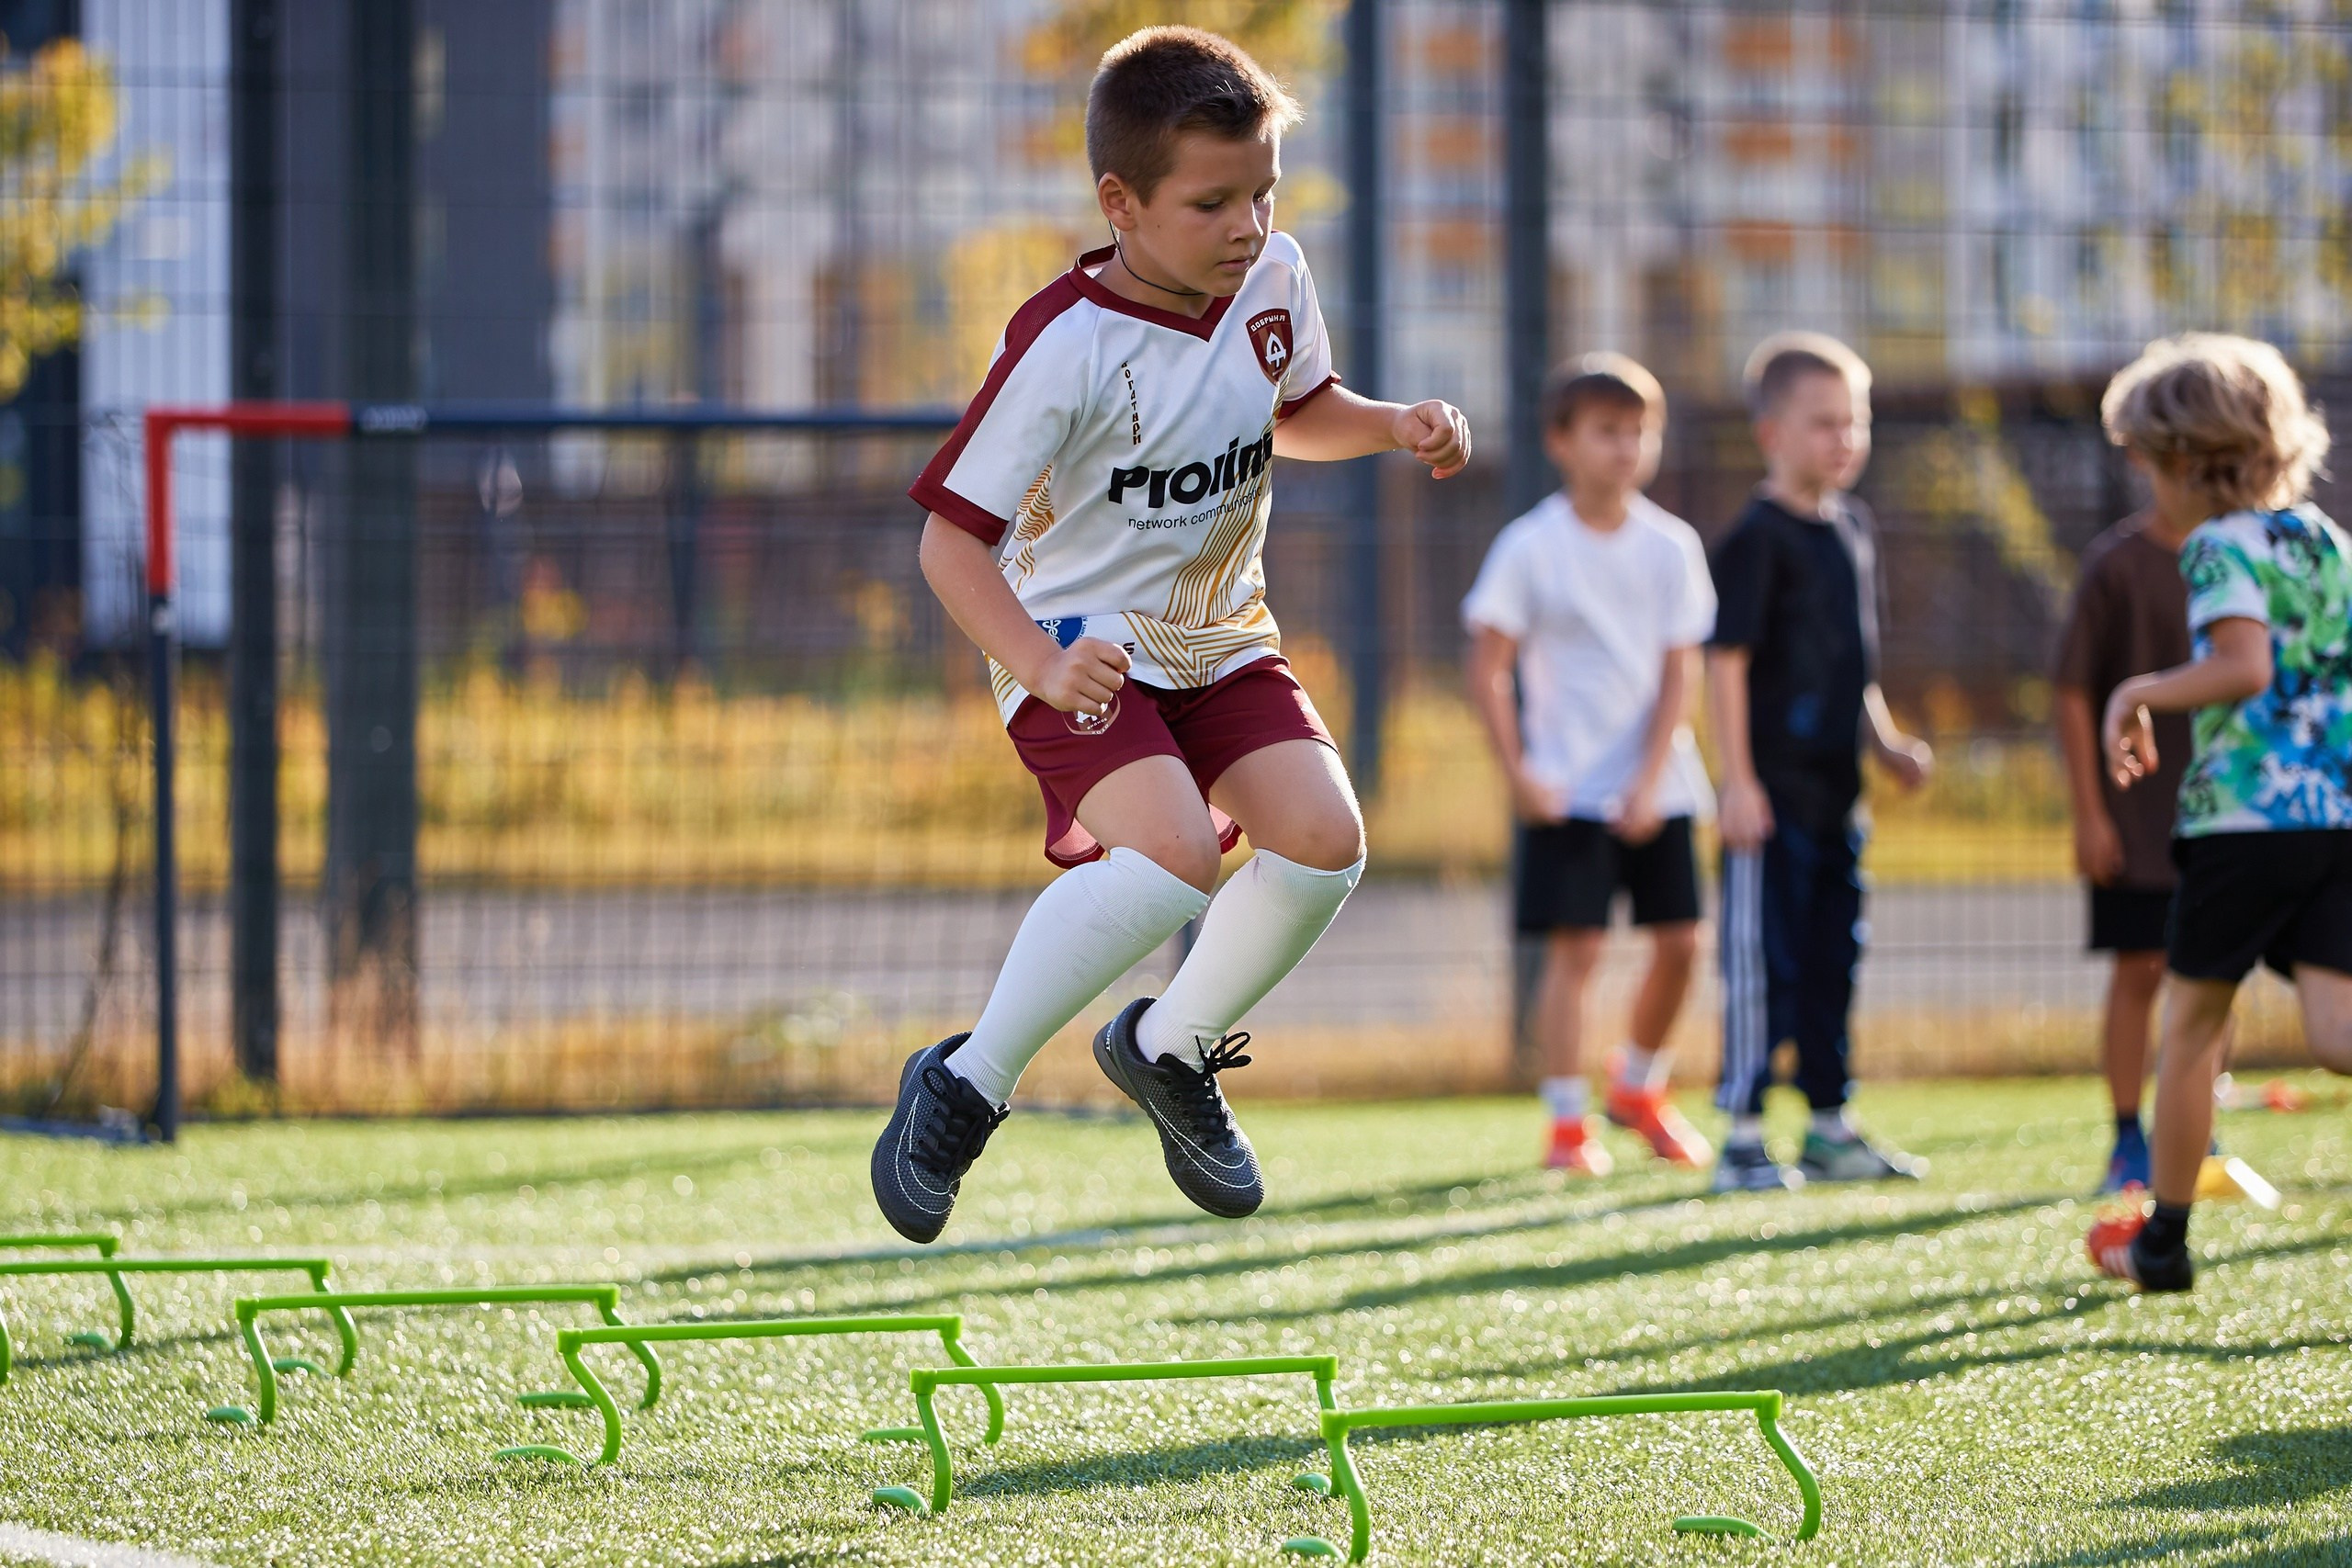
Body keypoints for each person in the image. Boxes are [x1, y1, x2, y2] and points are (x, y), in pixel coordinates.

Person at [871, 26, 1472, 1245]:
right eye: (1211, 204)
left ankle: (1169, 1047)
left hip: (1219, 629)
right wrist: (1040, 663)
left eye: (1263, 192)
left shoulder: (1274, 276)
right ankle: (966, 1082)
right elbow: (948, 543)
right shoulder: (1063, 344)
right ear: (1121, 203)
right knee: (1173, 855)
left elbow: (1298, 409)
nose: (1248, 225)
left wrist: (1391, 423)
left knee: (1326, 842)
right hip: (1073, 640)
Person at [2086, 333, 2352, 1292]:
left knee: (2193, 1026)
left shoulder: (2216, 546)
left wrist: (2137, 692)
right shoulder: (2326, 542)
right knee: (2336, 1032)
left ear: (2188, 463)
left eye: (2149, 464)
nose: (2148, 485)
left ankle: (2163, 1243)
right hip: (2337, 816)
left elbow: (2243, 666)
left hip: (2245, 823)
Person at [1462, 353, 1716, 1175]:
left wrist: (1648, 783)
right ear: (1560, 441)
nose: (1626, 447)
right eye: (1607, 430)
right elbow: (1487, 667)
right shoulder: (1530, 546)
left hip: (1659, 789)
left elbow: (1681, 671)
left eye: (1640, 431)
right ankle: (1568, 1126)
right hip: (1565, 789)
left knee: (1683, 943)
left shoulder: (1672, 546)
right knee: (1577, 953)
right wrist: (1521, 774)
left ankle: (1637, 1086)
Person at [1704, 332, 1933, 1193]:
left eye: (1855, 421)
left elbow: (1852, 665)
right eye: (1824, 422)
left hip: (1840, 798)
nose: (1844, 438)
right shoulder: (1754, 540)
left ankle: (1831, 1127)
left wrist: (1885, 741)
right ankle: (1743, 1136)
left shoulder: (1853, 529)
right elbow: (1726, 664)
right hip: (1770, 802)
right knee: (1765, 965)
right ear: (1772, 432)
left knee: (1835, 958)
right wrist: (1738, 782)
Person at [2052, 501, 2196, 1192]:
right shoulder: (2115, 565)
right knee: (2140, 967)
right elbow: (2072, 690)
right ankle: (2127, 1136)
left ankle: (2195, 1125)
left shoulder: (2241, 556)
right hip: (2136, 813)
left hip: (2218, 809)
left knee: (2207, 977)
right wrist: (2090, 813)